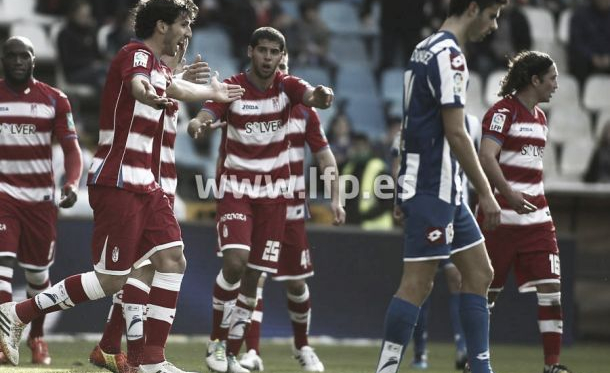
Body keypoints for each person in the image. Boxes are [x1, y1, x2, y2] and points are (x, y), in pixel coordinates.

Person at [0, 1, 244, 372]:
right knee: (112, 280)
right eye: (182, 25)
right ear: (161, 26)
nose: (186, 33)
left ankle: (151, 361)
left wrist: (213, 93)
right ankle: (17, 313)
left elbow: (172, 85)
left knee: (171, 260)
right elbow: (139, 82)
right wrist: (148, 92)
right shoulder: (135, 53)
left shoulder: (159, 66)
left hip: (147, 185)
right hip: (120, 181)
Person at [188, 26, 334, 373]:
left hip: (275, 197)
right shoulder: (234, 88)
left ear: (281, 56)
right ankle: (216, 343)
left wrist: (322, 95)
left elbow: (312, 95)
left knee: (254, 280)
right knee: (236, 262)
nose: (268, 58)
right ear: (251, 51)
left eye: (274, 52)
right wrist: (199, 122)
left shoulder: (288, 87)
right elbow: (209, 111)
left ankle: (233, 352)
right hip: (237, 191)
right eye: (263, 50)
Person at [374, 1, 506, 373]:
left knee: (480, 272)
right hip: (434, 186)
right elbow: (457, 133)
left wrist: (402, 185)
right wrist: (486, 190)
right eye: (492, 15)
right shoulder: (450, 56)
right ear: (474, 8)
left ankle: (480, 368)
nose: (494, 26)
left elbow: (408, 122)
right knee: (417, 284)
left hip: (440, 188)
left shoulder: (424, 47)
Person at [88, 43, 212, 373]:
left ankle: (114, 347)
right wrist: (187, 82)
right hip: (143, 183)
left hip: (163, 184)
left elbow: (171, 93)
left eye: (185, 43)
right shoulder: (145, 75)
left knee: (149, 268)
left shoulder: (166, 81)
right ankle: (138, 354)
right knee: (139, 270)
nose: (181, 45)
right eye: (176, 40)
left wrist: (189, 85)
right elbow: (147, 92)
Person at [236, 53, 345, 373]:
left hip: (291, 208)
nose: (278, 72)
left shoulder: (304, 112)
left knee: (296, 283)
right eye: (274, 66)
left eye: (283, 66)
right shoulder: (248, 104)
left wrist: (336, 198)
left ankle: (302, 346)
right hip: (256, 202)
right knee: (252, 278)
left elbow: (325, 157)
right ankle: (251, 352)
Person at [478, 51, 573, 373]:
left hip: (537, 220)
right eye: (552, 79)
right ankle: (477, 362)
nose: (556, 86)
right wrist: (508, 195)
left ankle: (552, 365)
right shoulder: (503, 113)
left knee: (551, 289)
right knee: (484, 297)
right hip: (499, 219)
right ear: (534, 80)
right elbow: (486, 156)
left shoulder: (541, 118)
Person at [0, 36, 83, 366]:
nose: (18, 61)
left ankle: (37, 337)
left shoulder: (54, 99)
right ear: (4, 60)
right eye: (12, 56)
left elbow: (71, 148)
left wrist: (73, 182)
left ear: (34, 60)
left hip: (41, 202)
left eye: (25, 56)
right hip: (4, 195)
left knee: (37, 279)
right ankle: (4, 340)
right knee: (2, 268)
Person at [568, 0, 610, 83]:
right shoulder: (580, 14)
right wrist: (592, 57)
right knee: (579, 61)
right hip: (586, 61)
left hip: (607, 58)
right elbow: (576, 42)